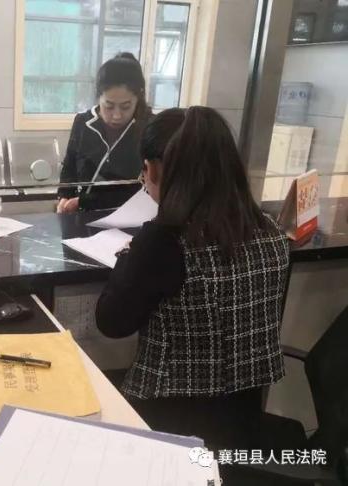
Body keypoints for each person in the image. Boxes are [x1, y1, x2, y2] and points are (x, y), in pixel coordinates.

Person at [95, 106, 290, 449]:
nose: (144, 179)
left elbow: (111, 322)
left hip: (168, 422)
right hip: (243, 422)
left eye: (145, 169)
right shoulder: (271, 230)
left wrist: (131, 252)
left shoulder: (164, 241)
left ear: (159, 169)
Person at [57, 52, 151, 213]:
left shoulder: (149, 127)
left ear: (139, 98)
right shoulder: (83, 122)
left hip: (129, 216)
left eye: (126, 106)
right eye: (109, 106)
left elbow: (141, 188)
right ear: (98, 96)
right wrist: (64, 197)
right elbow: (69, 168)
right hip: (80, 215)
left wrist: (84, 202)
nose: (117, 115)